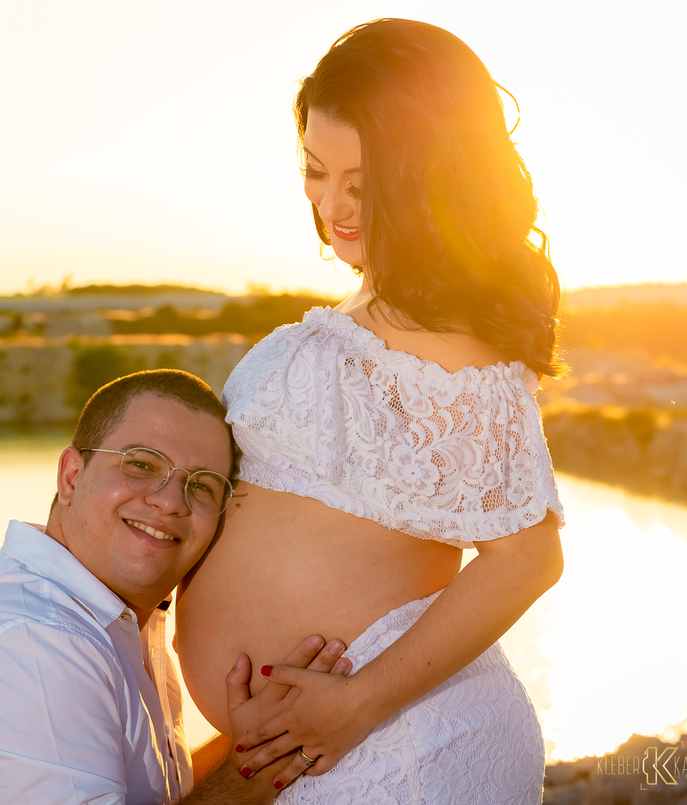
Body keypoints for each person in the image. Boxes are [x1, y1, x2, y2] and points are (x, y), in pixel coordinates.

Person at [175, 19, 565, 803]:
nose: (333, 204)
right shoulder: (372, 310)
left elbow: (528, 557)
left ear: (432, 176)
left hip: (405, 748)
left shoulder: (451, 341)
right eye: (316, 170)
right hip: (334, 751)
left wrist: (355, 705)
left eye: (363, 180)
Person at [0, 369, 351, 805]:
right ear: (71, 477)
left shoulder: (113, 617)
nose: (169, 502)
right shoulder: (33, 644)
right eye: (141, 464)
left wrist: (269, 731)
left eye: (202, 486)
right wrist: (257, 769)